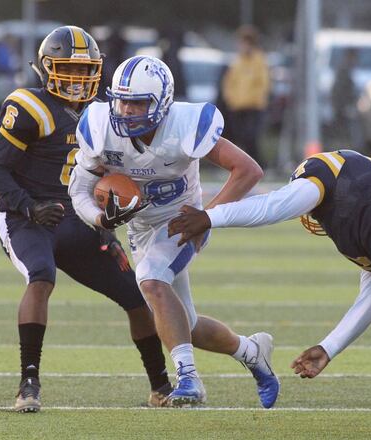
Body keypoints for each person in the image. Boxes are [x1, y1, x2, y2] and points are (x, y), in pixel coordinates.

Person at [168, 149, 371, 417]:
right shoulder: (357, 230)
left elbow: (273, 206)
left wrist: (210, 217)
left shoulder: (327, 170)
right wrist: (329, 348)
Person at [68, 55, 279, 408]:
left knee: (150, 282)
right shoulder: (100, 125)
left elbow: (248, 170)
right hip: (141, 226)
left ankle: (188, 380)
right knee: (187, 326)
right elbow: (79, 190)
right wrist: (101, 220)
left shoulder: (184, 124)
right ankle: (252, 351)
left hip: (182, 219)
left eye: (138, 103)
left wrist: (207, 216)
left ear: (162, 103)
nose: (127, 111)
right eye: (122, 101)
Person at [0, 27, 172, 413]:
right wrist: (29, 205)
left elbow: (111, 170)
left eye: (86, 71)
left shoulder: (104, 112)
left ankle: (161, 386)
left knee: (136, 297)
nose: (78, 78)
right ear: (47, 68)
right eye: (69, 68)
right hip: (27, 217)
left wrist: (111, 210)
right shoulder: (28, 106)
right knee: (41, 278)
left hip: (78, 217)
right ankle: (28, 384)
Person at [219, 25, 270, 166]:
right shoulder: (237, 61)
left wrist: (255, 99)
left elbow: (263, 83)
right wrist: (230, 98)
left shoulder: (259, 61)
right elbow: (229, 82)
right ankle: (246, 165)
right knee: (240, 137)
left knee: (251, 136)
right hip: (237, 106)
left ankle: (258, 163)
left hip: (254, 106)